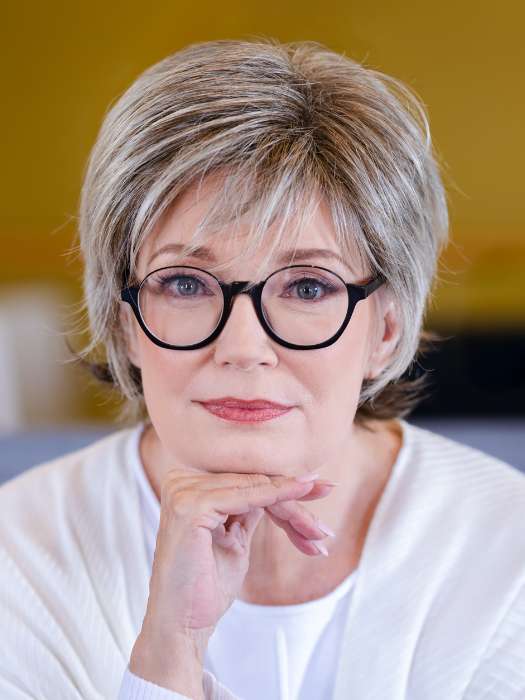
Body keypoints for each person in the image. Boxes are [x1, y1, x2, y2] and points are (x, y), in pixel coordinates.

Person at [1, 38, 525, 700]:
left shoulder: (508, 552)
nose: (243, 347)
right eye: (185, 284)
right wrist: (169, 653)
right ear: (124, 320)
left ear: (386, 330)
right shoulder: (19, 553)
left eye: (307, 287)